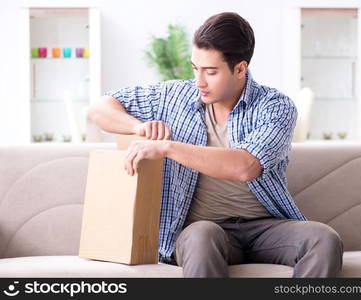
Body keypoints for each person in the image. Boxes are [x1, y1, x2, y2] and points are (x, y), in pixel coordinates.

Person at [88, 12, 343, 278]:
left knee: (323, 239)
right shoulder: (173, 96)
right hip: (204, 227)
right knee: (201, 237)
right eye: (195, 68)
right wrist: (137, 127)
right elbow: (99, 108)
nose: (199, 81)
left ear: (240, 69)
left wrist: (167, 147)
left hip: (266, 227)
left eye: (210, 72)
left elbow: (246, 166)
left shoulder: (275, 106)